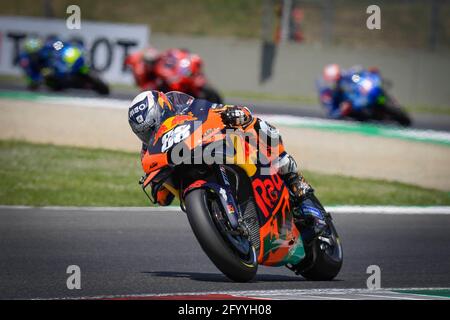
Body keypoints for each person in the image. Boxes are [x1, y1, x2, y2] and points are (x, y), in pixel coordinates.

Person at [128, 90, 327, 242]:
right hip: (186, 171)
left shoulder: (184, 106)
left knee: (258, 126)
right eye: (145, 133)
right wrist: (157, 185)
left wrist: (232, 113)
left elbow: (211, 108)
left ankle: (297, 184)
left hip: (209, 148)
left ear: (163, 108)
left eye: (153, 127)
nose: (151, 134)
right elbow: (163, 199)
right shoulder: (148, 151)